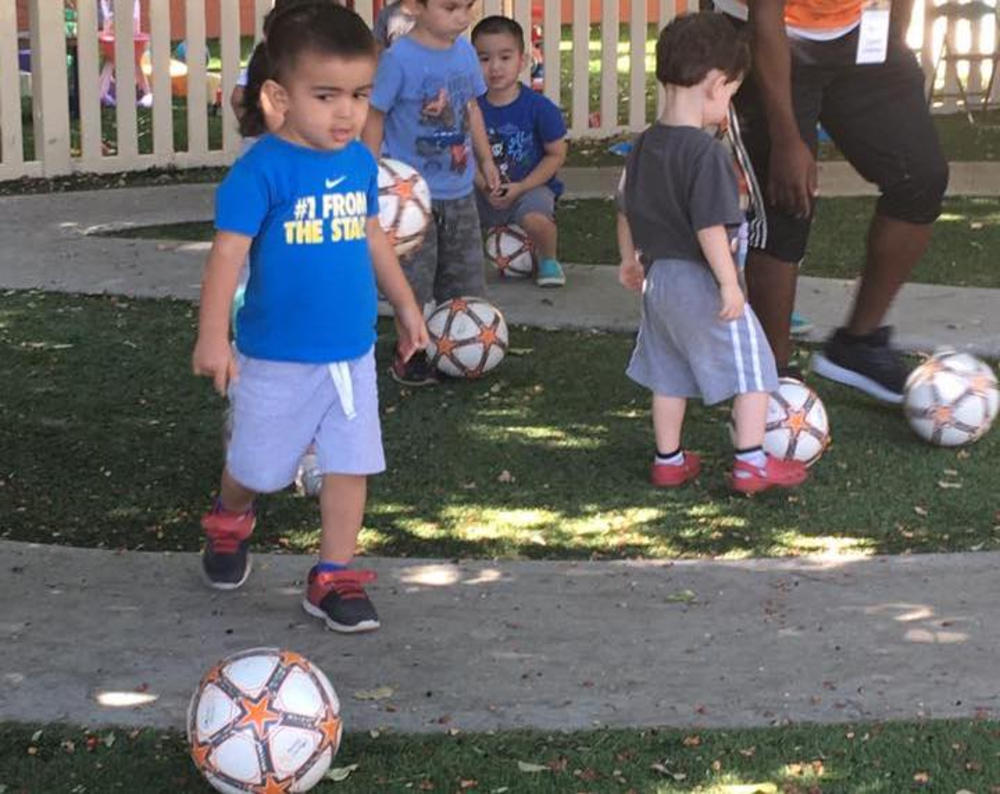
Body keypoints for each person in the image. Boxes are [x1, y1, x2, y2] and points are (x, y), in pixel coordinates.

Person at [191, 2, 428, 633]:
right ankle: (230, 516)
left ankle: (333, 575)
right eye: (326, 95)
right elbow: (226, 258)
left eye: (359, 94)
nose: (347, 112)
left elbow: (373, 236)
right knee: (259, 469)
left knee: (351, 462)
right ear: (278, 96)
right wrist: (214, 337)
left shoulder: (355, 163)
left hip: (350, 353)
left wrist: (405, 307)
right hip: (274, 357)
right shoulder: (259, 173)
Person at [716, 0, 949, 403]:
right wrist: (786, 140)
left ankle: (858, 345)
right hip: (763, 33)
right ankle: (772, 380)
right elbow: (765, 17)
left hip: (857, 31)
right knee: (786, 206)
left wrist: (892, 41)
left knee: (921, 177)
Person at [617, 12, 809, 494]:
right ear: (715, 83)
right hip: (701, 282)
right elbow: (709, 227)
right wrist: (728, 283)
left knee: (669, 373)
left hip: (658, 285)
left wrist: (628, 259)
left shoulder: (644, 145)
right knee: (755, 369)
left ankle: (669, 460)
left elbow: (623, 206)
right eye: (729, 94)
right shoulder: (704, 154)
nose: (727, 106)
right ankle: (750, 464)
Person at [363, 0, 500, 387]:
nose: (463, 17)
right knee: (414, 283)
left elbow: (472, 108)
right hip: (412, 200)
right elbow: (376, 115)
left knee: (465, 278)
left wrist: (486, 160)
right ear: (414, 8)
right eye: (451, 7)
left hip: (459, 192)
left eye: (468, 7)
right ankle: (410, 354)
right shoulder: (398, 59)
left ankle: (460, 351)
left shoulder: (465, 53)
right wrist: (368, 172)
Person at [471, 15, 568, 288]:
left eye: (505, 57)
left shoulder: (539, 107)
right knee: (452, 216)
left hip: (529, 189)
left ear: (523, 61)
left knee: (536, 220)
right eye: (484, 59)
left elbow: (556, 154)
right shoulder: (469, 108)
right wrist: (482, 184)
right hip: (482, 188)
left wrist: (523, 186)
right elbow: (462, 155)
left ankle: (548, 259)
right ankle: (457, 268)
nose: (495, 67)